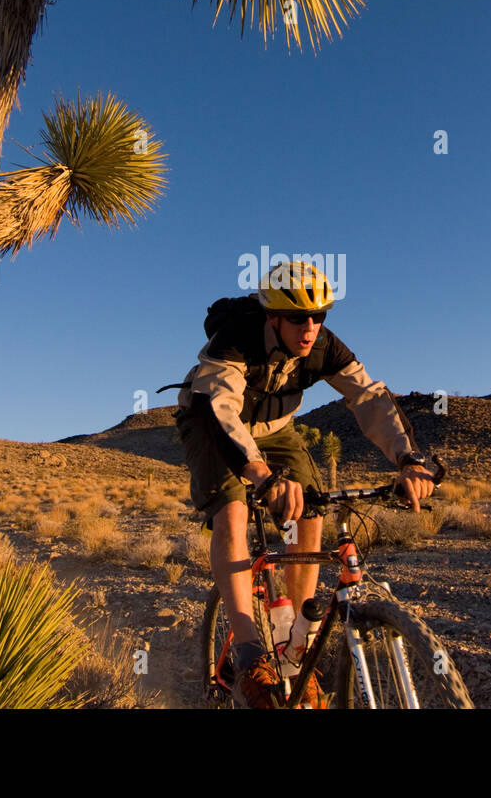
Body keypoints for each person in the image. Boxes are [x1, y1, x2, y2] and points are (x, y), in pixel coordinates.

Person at [173, 260, 437, 708]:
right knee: (233, 511)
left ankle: (295, 646)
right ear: (272, 316)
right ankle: (250, 649)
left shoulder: (324, 346)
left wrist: (408, 458)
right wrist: (260, 475)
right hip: (214, 423)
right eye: (298, 317)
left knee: (310, 509)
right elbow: (218, 408)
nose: (310, 327)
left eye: (320, 316)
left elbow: (368, 397)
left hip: (276, 428)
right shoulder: (236, 337)